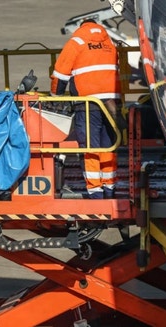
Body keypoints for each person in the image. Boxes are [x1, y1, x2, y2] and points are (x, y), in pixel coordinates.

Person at [50, 19, 122, 199]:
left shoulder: (77, 41)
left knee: (90, 147)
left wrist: (55, 97)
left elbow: (60, 74)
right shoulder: (109, 42)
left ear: (82, 26)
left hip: (87, 103)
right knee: (108, 145)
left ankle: (95, 192)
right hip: (110, 102)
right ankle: (109, 188)